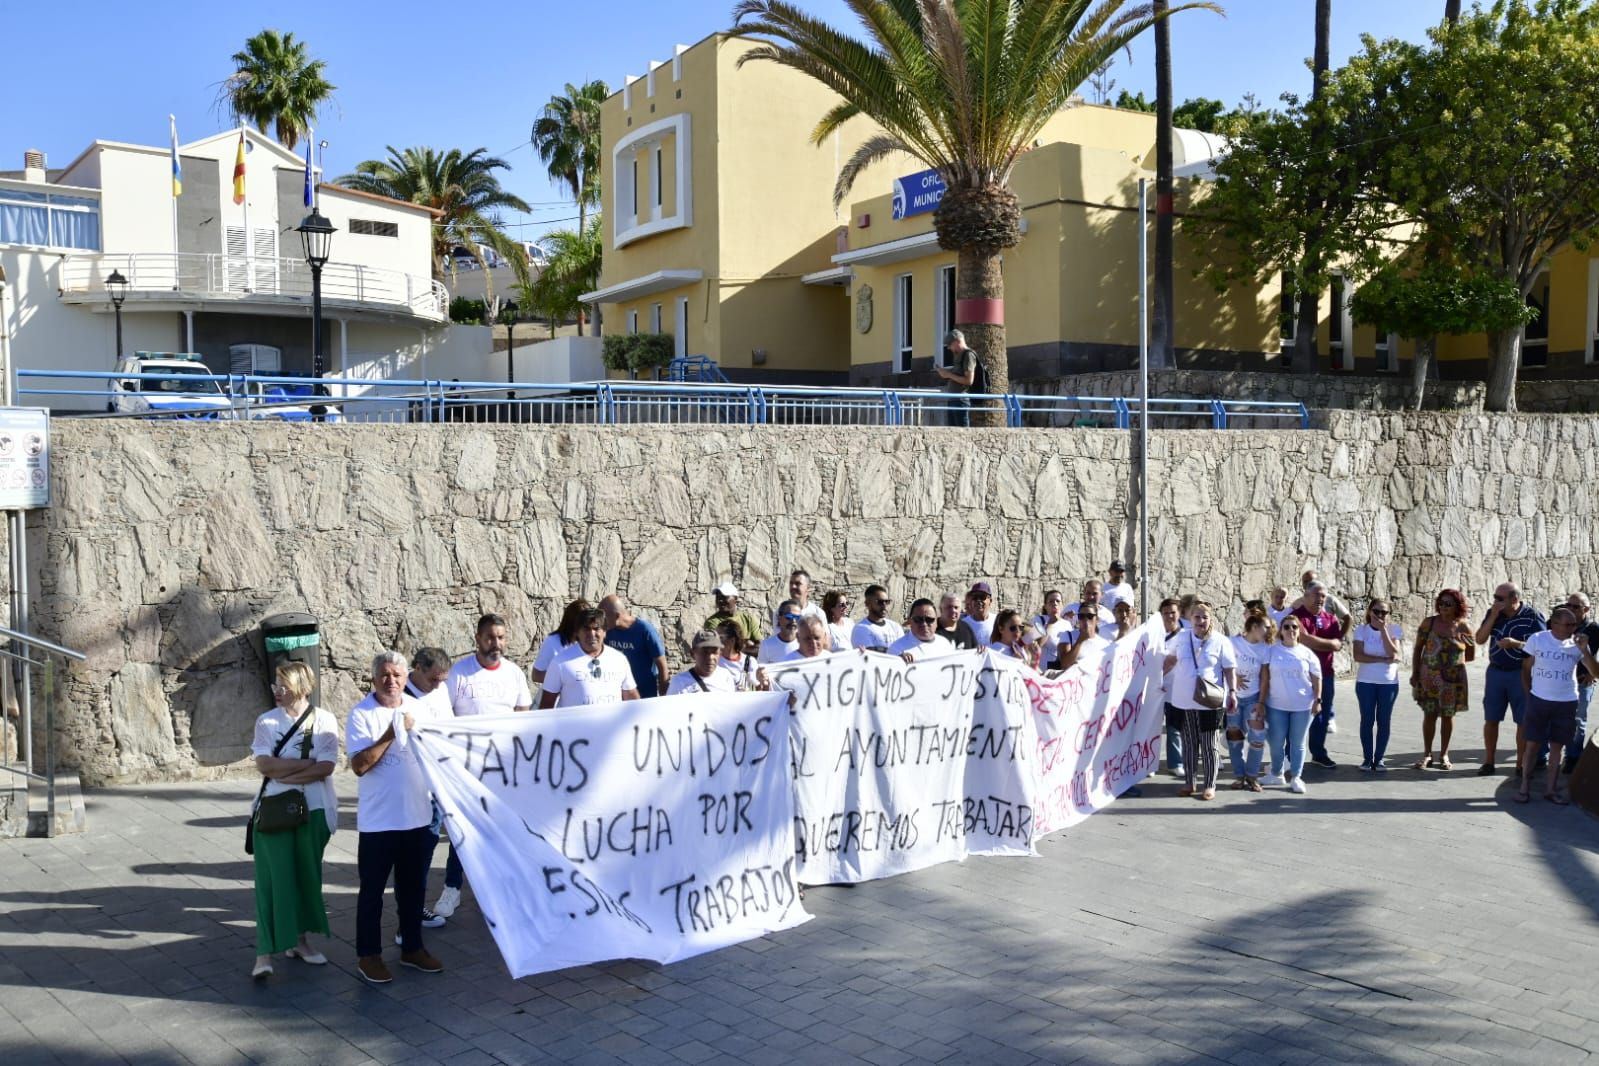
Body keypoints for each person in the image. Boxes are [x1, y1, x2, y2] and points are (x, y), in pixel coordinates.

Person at [347, 651, 444, 984]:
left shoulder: (418, 710)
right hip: (378, 823)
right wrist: (391, 733)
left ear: (407, 678)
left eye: (397, 675)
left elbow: (437, 753)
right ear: (374, 678)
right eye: (385, 675)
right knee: (372, 893)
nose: (391, 681)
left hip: (416, 817)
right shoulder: (361, 714)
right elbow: (359, 766)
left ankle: (412, 948)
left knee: (413, 891)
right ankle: (368, 956)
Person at [249, 662, 338, 979]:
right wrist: (302, 769)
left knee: (305, 878)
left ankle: (300, 942)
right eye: (276, 683)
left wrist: (282, 770)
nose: (277, 690)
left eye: (283, 685)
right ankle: (263, 955)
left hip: (313, 810)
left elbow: (326, 767)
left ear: (303, 687)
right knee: (272, 882)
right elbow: (264, 765)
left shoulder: (325, 720)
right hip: (273, 810)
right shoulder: (267, 721)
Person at [1512, 606, 1598, 804]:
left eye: (1574, 624)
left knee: (1557, 748)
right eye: (1569, 624)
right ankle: (1524, 787)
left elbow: (1596, 673)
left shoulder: (1579, 644)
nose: (1573, 628)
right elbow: (1526, 667)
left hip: (1567, 702)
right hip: (1539, 700)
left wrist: (1585, 650)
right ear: (1555, 623)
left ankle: (1550, 790)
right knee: (1532, 745)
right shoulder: (1538, 639)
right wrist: (1529, 694)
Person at [1162, 601, 1237, 801]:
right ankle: (1189, 782)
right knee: (1189, 742)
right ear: (1190, 619)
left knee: (1209, 744)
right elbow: (1170, 661)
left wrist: (1233, 692)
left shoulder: (1220, 641)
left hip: (1209, 700)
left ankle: (1210, 785)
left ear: (1210, 620)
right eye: (1197, 617)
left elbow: (1229, 669)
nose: (1201, 621)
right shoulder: (1182, 638)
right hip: (1184, 699)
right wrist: (1156, 680)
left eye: (1205, 617)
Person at [1475, 582, 1546, 777]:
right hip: (1496, 672)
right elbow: (1480, 639)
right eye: (1495, 597)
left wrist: (1517, 644)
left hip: (1520, 673)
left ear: (1514, 599)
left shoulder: (1532, 616)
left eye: (1500, 599)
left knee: (1522, 720)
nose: (1495, 601)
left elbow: (1543, 646)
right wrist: (1493, 616)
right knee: (1491, 718)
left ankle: (1520, 765)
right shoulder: (1493, 613)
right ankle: (1489, 762)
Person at [403, 648, 452, 931]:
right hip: (416, 787)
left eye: (442, 680)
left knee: (428, 848)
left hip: (441, 783)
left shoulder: (440, 690)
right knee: (416, 853)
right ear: (417, 668)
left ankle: (415, 906)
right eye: (433, 679)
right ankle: (412, 910)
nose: (438, 686)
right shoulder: (403, 697)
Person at [1411, 589, 1474, 771]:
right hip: (1429, 678)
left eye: (1448, 603)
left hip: (1452, 681)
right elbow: (1417, 649)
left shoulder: (1464, 628)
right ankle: (1427, 754)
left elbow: (1470, 655)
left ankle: (1444, 754)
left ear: (1457, 606)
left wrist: (1451, 664)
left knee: (1448, 716)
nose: (1443, 606)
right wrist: (1416, 673)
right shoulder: (1429, 623)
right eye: (1441, 602)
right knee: (1429, 715)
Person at [1259, 615, 1322, 795]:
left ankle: (1296, 777)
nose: (1291, 630)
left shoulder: (1307, 653)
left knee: (1297, 743)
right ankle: (1277, 773)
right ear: (1281, 630)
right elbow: (1265, 678)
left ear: (1299, 630)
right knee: (1276, 742)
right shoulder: (1271, 651)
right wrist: (1261, 702)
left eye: (1294, 627)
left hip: (1302, 706)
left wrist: (1318, 700)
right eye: (1286, 627)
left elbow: (1317, 678)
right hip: (1276, 705)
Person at [1291, 582, 1347, 770]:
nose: (1320, 599)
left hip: (1325, 675)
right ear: (1305, 596)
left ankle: (1318, 753)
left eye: (1323, 596)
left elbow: (1338, 644)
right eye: (1316, 595)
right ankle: (1289, 755)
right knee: (1297, 715)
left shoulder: (1330, 618)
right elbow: (1305, 640)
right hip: (1301, 676)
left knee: (1321, 715)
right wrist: (1328, 644)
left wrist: (1326, 644)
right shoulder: (1296, 617)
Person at [539, 608, 641, 709]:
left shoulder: (619, 660)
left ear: (605, 632)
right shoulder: (560, 662)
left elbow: (631, 696)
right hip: (574, 725)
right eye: (586, 629)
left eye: (596, 629)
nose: (592, 634)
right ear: (577, 632)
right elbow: (547, 704)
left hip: (612, 725)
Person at [1352, 599, 1403, 773]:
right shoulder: (1361, 630)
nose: (1380, 615)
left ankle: (1379, 759)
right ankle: (1367, 759)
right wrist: (1382, 660)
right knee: (1367, 720)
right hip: (1366, 682)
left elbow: (1393, 653)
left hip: (1388, 683)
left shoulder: (1393, 629)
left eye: (1384, 612)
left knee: (1384, 721)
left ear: (1389, 615)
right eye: (1376, 611)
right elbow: (1358, 655)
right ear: (1369, 611)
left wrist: (1383, 630)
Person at [1227, 614, 1270, 791]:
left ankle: (1252, 777)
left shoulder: (1265, 648)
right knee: (1234, 738)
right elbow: (1223, 665)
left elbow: (1265, 677)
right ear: (1254, 626)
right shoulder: (1232, 642)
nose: (1268, 631)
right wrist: (1233, 677)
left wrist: (1261, 701)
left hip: (1253, 698)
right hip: (1234, 697)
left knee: (1258, 737)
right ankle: (1239, 776)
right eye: (1265, 627)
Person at [600, 594, 669, 698]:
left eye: (604, 618)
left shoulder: (644, 630)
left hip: (644, 694)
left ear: (617, 616)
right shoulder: (608, 632)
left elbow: (661, 664)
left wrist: (664, 695)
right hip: (617, 694)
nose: (601, 622)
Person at [1565, 593, 1599, 773]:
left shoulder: (1594, 629)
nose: (1570, 609)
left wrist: (1593, 673)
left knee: (1578, 720)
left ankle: (1573, 756)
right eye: (1568, 605)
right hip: (1559, 680)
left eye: (1575, 607)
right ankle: (1542, 755)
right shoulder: (1559, 623)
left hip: (1581, 681)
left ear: (1586, 610)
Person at [531, 599, 590, 686]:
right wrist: (563, 677)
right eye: (584, 625)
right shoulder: (552, 642)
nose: (588, 629)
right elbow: (536, 675)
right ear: (572, 622)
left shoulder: (588, 643)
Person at [933, 328, 983, 428]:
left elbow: (969, 380)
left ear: (957, 341)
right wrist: (945, 372)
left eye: (950, 345)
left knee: (962, 434)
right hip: (953, 399)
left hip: (961, 400)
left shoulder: (968, 355)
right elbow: (958, 373)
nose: (948, 348)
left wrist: (948, 375)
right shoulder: (958, 356)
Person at [1158, 598, 1186, 777]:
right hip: (1154, 690)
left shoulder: (1186, 636)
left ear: (1179, 613)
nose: (1169, 616)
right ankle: (1149, 764)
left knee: (1174, 729)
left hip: (1177, 690)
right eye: (1166, 613)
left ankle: (1175, 763)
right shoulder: (1153, 636)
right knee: (1150, 729)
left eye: (1173, 612)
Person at [666, 630, 741, 695]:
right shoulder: (679, 682)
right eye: (704, 652)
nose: (710, 657)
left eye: (714, 652)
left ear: (720, 654)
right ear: (693, 654)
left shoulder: (726, 677)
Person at [888, 599, 955, 662]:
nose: (924, 624)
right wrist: (898, 662)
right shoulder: (896, 649)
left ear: (936, 621)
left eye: (929, 619)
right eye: (918, 619)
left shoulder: (945, 644)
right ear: (910, 621)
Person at [1059, 604, 1113, 670]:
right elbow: (1065, 665)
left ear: (1097, 620)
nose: (1086, 619)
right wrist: (1080, 640)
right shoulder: (1068, 635)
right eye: (1081, 616)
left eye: (1090, 616)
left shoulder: (1104, 644)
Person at [851, 584, 904, 650]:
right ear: (868, 604)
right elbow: (870, 655)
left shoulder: (895, 627)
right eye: (880, 602)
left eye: (887, 602)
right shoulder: (861, 628)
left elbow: (904, 649)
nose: (884, 606)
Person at [714, 618, 761, 691]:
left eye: (720, 637)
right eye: (715, 637)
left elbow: (759, 687)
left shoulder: (749, 661)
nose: (715, 641)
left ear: (732, 640)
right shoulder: (714, 661)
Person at [1031, 590, 1071, 670]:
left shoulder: (1067, 624)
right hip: (1042, 670)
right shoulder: (1038, 620)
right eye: (1051, 601)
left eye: (1058, 601)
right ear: (1045, 606)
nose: (1055, 603)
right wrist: (1049, 624)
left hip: (1059, 671)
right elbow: (1037, 645)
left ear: (1062, 605)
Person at [962, 582, 998, 646]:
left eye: (982, 597)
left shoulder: (998, 621)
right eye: (975, 597)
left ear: (990, 601)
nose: (978, 601)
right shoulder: (963, 625)